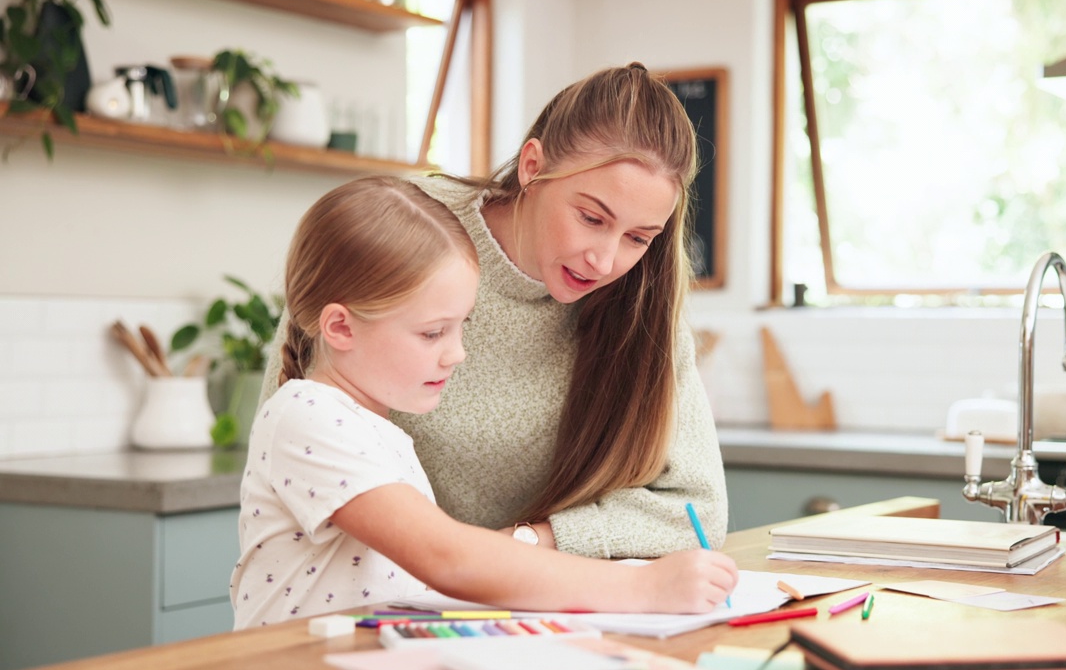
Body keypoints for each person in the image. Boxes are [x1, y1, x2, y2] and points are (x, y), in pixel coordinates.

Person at [260, 62, 726, 559]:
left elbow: (698, 510)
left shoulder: (642, 298)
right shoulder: (411, 230)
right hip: (361, 599)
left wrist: (529, 542)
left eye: (638, 238)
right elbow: (296, 436)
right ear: (532, 167)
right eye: (591, 218)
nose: (606, 260)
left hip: (506, 604)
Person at [230, 176, 737, 628]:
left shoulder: (373, 430)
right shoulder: (308, 417)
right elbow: (446, 557)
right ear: (340, 327)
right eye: (432, 333)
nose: (456, 354)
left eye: (460, 326)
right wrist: (644, 589)